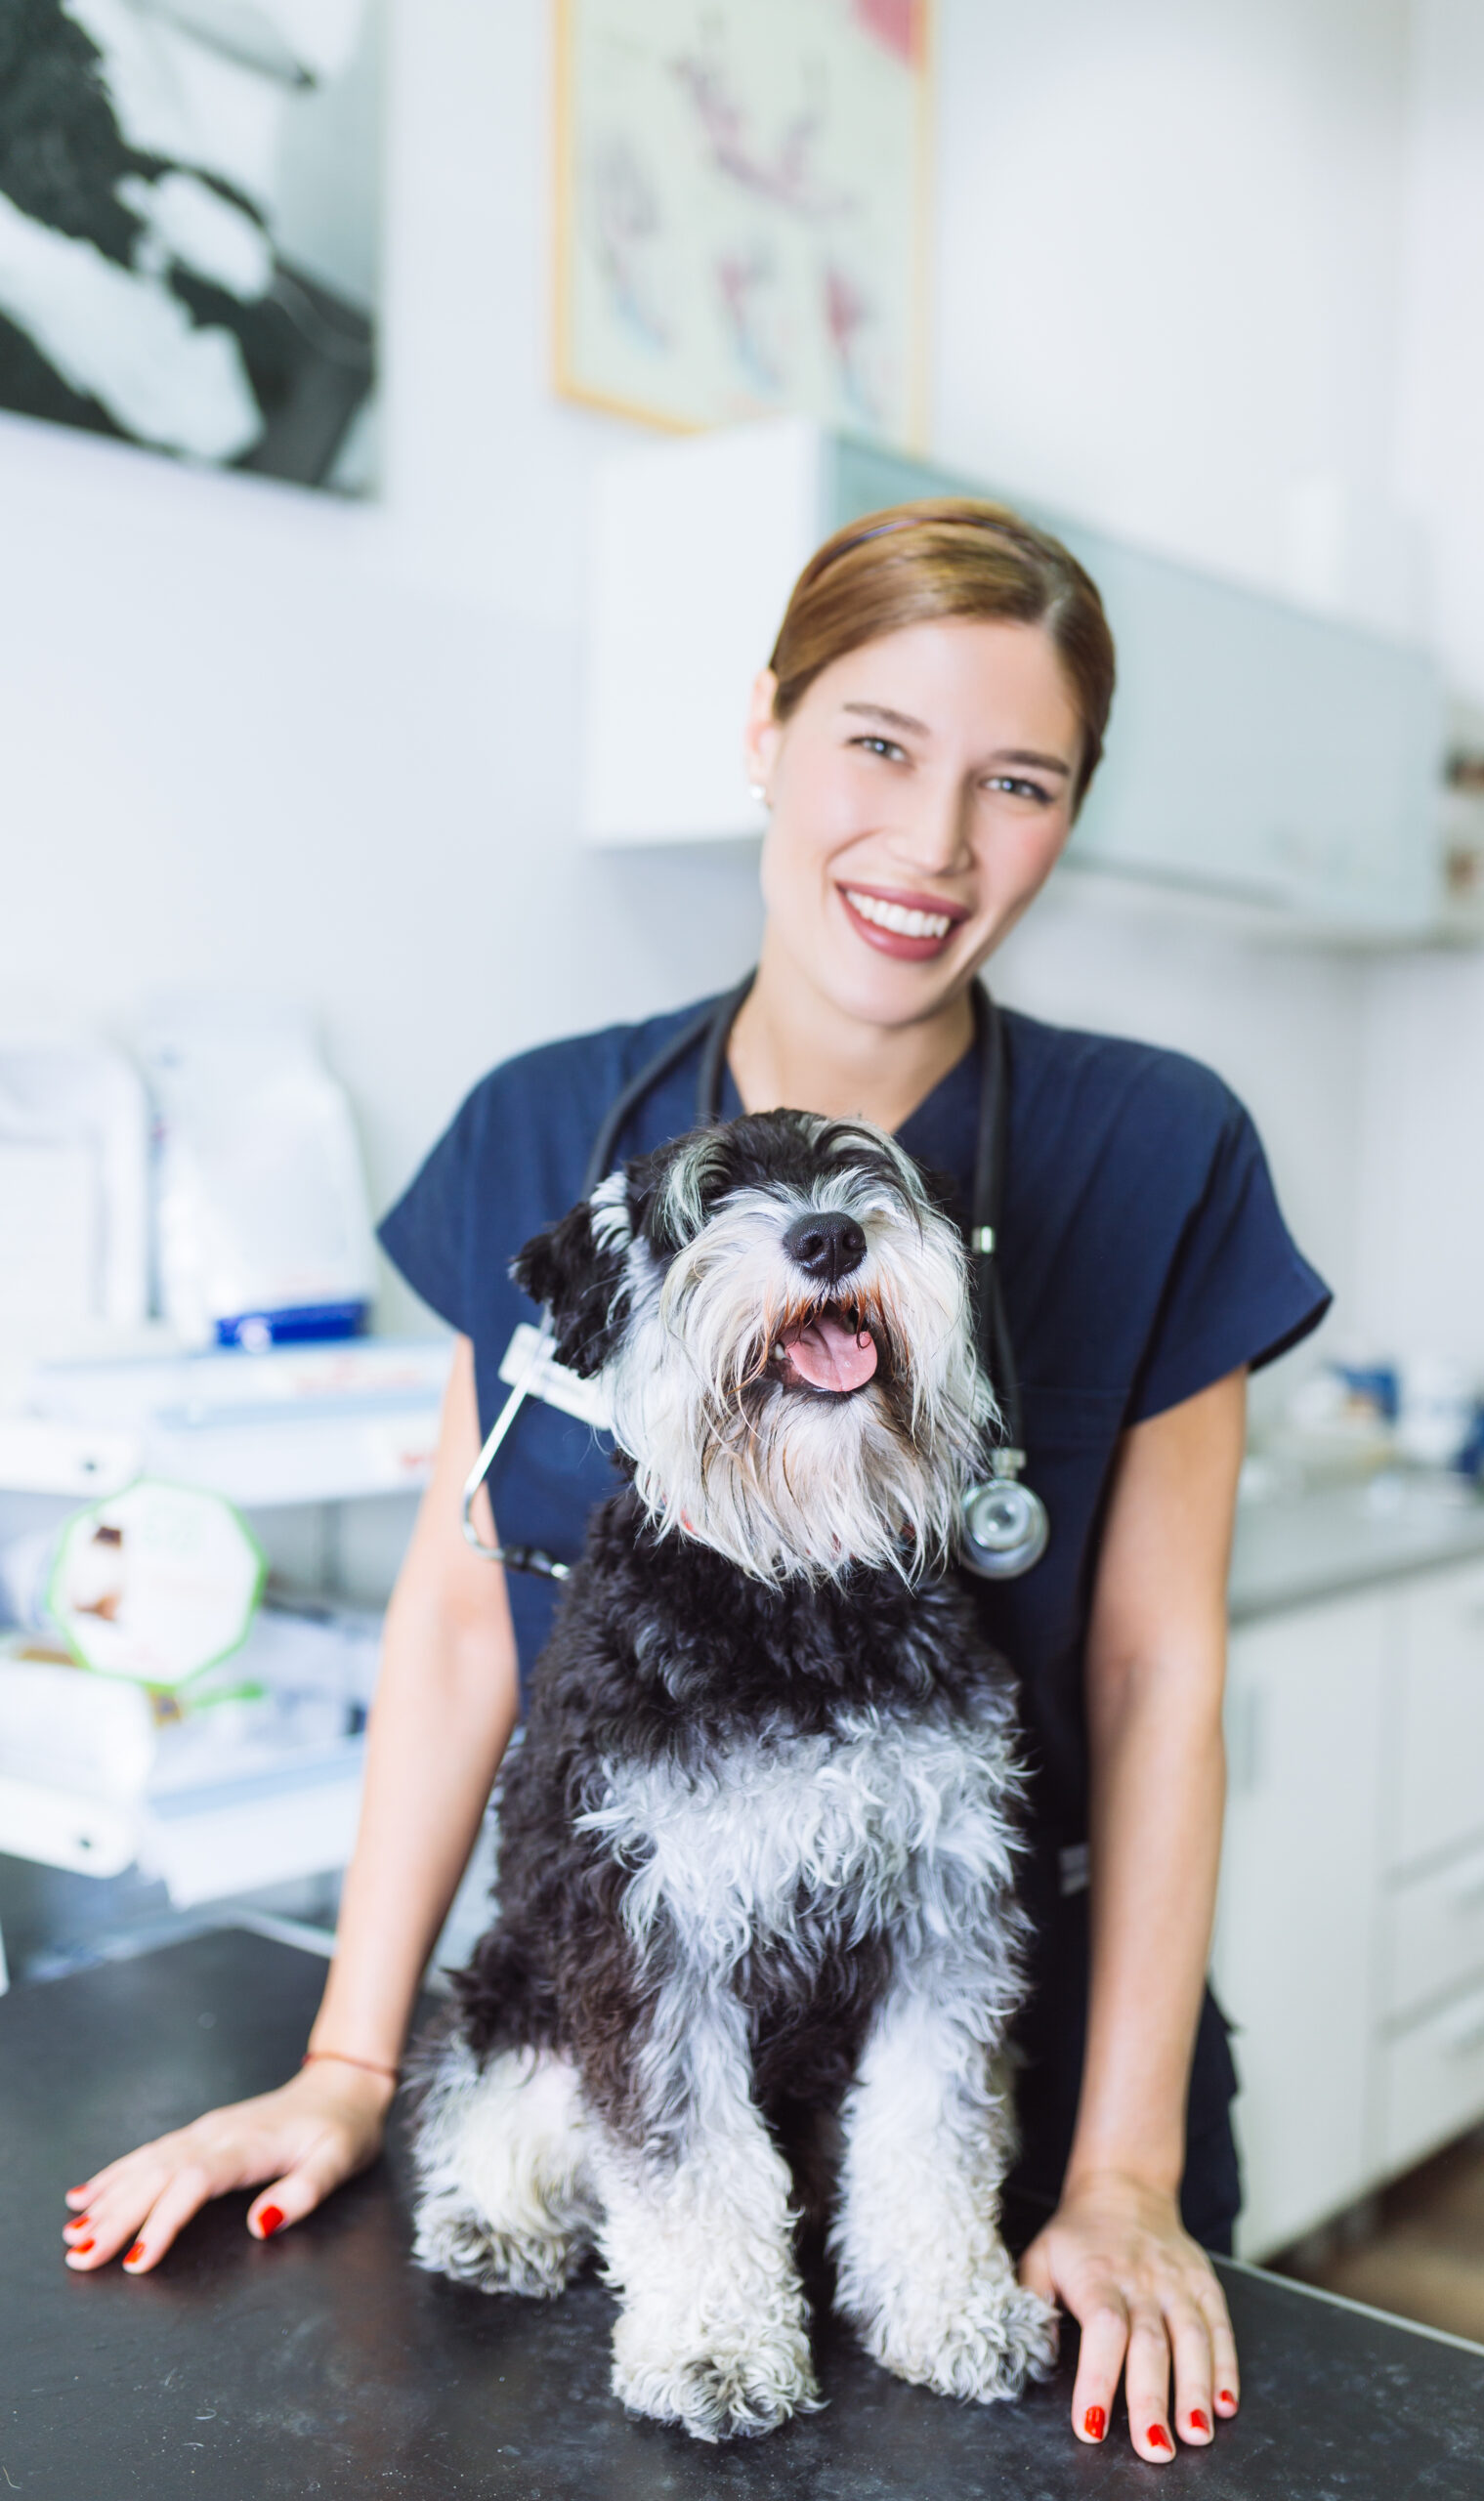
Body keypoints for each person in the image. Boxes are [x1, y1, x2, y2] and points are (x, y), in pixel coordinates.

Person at [61, 499, 1329, 2464]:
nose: (929, 845)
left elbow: (1157, 1677)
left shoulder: (1155, 1146)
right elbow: (459, 1614)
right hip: (622, 2052)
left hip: (1038, 2079)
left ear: (1072, 810)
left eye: (1017, 782)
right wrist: (346, 2054)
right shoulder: (543, 1122)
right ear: (763, 728)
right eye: (876, 744)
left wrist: (1126, 2167)